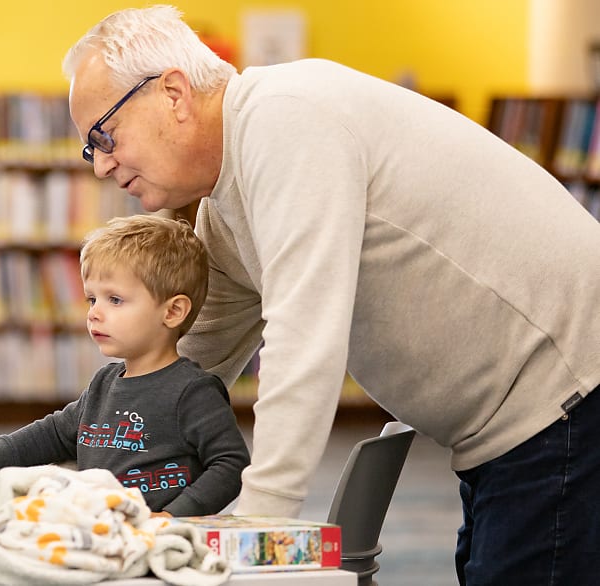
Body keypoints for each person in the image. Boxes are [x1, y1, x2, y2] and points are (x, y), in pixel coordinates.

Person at [62, 5, 600, 584]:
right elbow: (178, 370)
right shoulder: (226, 202)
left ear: (172, 92)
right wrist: (83, 483)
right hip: (512, 428)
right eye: (92, 150)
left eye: (104, 135)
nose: (101, 166)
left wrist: (262, 525)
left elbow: (305, 335)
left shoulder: (283, 122)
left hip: (565, 395)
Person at [0, 214, 249, 517]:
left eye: (114, 299)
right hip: (99, 532)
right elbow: (50, 435)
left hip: (155, 539)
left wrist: (172, 516)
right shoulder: (104, 384)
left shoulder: (194, 391)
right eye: (91, 299)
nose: (95, 313)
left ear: (173, 311)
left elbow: (231, 464)